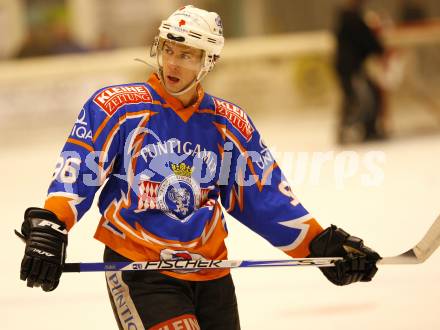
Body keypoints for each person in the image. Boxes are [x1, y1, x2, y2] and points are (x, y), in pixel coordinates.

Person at [17, 5, 381, 330]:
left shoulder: (228, 123)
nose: (173, 63)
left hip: (211, 273)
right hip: (142, 269)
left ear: (208, 61)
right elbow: (77, 171)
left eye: (188, 55)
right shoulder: (116, 107)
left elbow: (264, 197)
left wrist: (319, 244)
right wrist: (51, 224)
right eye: (169, 50)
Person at [334, 0, 387, 144]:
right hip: (350, 69)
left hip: (350, 68)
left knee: (360, 97)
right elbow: (367, 41)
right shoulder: (352, 19)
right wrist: (379, 49)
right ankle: (356, 130)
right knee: (361, 99)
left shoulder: (348, 18)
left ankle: (362, 130)